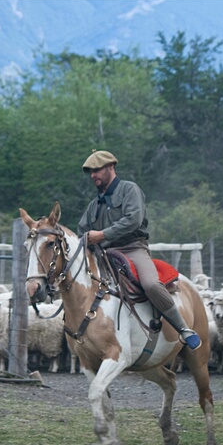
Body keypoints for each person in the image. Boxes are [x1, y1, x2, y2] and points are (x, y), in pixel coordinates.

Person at [78, 150, 201, 350]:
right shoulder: (94, 205)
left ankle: (183, 329)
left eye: (97, 170)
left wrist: (102, 235)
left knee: (151, 284)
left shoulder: (129, 190)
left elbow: (133, 220)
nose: (93, 175)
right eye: (91, 172)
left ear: (111, 167)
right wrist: (88, 240)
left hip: (133, 249)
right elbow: (82, 230)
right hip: (105, 255)